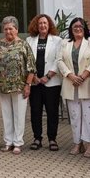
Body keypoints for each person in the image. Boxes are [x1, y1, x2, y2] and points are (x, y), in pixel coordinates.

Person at [57, 17, 90, 157]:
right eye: (75, 26)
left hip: (88, 83)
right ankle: (78, 143)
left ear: (84, 28)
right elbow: (59, 60)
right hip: (71, 84)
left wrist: (83, 76)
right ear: (71, 29)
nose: (77, 28)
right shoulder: (65, 43)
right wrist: (70, 75)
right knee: (75, 116)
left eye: (80, 26)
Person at [0, 16, 36, 155]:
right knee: (6, 115)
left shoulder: (23, 45)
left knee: (19, 115)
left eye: (11, 28)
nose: (8, 31)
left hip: (20, 86)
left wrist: (28, 84)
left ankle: (17, 143)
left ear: (16, 29)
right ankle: (8, 141)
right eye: (6, 29)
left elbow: (31, 67)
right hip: (3, 86)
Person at [25, 13, 63, 151]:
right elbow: (28, 60)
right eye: (40, 23)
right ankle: (37, 138)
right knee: (35, 111)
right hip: (35, 82)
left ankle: (52, 139)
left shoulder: (57, 40)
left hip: (51, 82)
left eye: (45, 23)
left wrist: (48, 76)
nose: (42, 25)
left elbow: (59, 60)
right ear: (36, 25)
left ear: (49, 25)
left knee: (52, 111)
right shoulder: (29, 40)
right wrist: (34, 76)